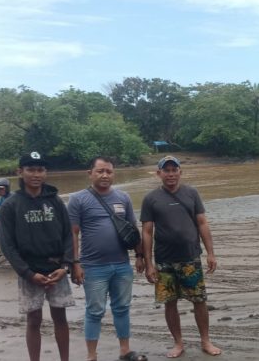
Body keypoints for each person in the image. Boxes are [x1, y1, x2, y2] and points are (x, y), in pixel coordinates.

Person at [140, 155, 222, 358]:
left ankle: (205, 340)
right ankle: (178, 343)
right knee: (170, 302)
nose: (170, 174)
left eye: (174, 170)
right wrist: (148, 263)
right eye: (166, 170)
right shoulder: (151, 199)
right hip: (164, 260)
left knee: (199, 300)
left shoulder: (191, 193)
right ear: (159, 173)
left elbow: (202, 223)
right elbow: (147, 232)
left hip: (190, 258)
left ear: (180, 172)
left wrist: (211, 253)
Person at [67, 156, 147, 361]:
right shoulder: (78, 199)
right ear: (90, 173)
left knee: (122, 308)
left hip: (122, 265)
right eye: (100, 171)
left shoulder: (124, 197)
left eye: (109, 172)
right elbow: (72, 233)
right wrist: (75, 264)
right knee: (94, 311)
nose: (105, 175)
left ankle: (125, 350)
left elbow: (132, 229)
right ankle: (91, 355)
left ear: (114, 174)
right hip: (93, 267)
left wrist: (140, 256)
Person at [0, 151, 75, 361]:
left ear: (46, 172)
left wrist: (66, 265)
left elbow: (68, 234)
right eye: (30, 169)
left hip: (57, 269)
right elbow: (7, 245)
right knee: (33, 320)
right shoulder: (11, 205)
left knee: (61, 317)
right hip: (29, 272)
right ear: (20, 172)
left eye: (40, 169)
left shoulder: (56, 201)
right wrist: (27, 273)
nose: (36, 174)